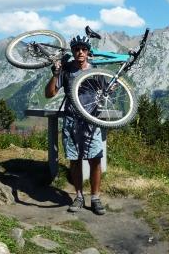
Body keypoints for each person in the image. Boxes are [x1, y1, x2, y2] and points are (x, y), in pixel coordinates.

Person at [45, 35, 106, 215]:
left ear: (88, 52)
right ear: (72, 52)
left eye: (84, 49)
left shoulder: (96, 70)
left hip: (91, 121)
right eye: (77, 49)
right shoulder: (67, 69)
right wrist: (56, 74)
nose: (80, 52)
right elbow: (49, 94)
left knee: (95, 160)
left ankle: (95, 198)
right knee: (75, 160)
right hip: (71, 120)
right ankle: (79, 196)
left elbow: (109, 90)